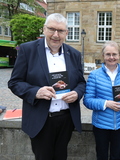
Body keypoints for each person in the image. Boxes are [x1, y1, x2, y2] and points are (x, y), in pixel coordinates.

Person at [8, 13, 86, 160]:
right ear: (44, 29)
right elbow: (14, 82)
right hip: (41, 120)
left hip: (66, 119)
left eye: (61, 31)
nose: (56, 35)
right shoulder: (27, 50)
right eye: (51, 29)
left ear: (66, 33)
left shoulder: (74, 54)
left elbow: (81, 83)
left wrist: (77, 93)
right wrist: (36, 91)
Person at [83, 41, 120, 160]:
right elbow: (87, 100)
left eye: (114, 54)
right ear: (103, 56)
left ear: (119, 55)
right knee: (101, 156)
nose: (111, 57)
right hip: (101, 125)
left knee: (116, 156)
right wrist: (106, 103)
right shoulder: (94, 75)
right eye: (108, 54)